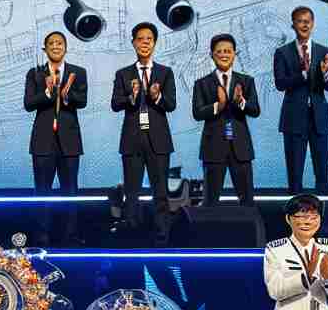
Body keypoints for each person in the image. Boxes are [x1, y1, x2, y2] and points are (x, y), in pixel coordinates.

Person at [111, 22, 176, 243]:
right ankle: (132, 236)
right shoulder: (123, 74)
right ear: (133, 43)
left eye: (149, 39)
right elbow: (115, 103)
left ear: (154, 43)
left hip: (158, 141)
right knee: (132, 194)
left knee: (161, 193)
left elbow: (171, 104)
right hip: (132, 141)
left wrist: (157, 96)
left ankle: (162, 237)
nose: (145, 42)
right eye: (140, 39)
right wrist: (131, 96)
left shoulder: (165, 73)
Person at [24, 31, 87, 243]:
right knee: (42, 192)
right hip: (43, 142)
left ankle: (70, 236)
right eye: (51, 43)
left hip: (69, 142)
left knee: (70, 192)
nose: (56, 46)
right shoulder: (35, 74)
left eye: (59, 43)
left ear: (66, 47)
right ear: (45, 49)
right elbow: (29, 103)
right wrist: (48, 93)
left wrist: (66, 94)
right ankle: (42, 236)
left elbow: (83, 100)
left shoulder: (77, 72)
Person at [192, 33, 262, 206]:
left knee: (247, 201)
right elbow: (197, 113)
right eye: (219, 51)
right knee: (210, 201)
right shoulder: (202, 83)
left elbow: (255, 110)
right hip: (213, 149)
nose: (224, 54)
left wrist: (241, 102)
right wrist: (219, 105)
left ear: (234, 54)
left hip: (241, 149)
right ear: (211, 55)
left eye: (228, 51)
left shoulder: (246, 81)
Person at [273, 6, 328, 193]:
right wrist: (303, 74)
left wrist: (324, 74)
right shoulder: (282, 53)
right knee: (295, 177)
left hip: (319, 121)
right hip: (293, 120)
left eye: (308, 20)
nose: (304, 24)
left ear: (313, 24)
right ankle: (294, 218)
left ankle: (325, 220)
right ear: (293, 25)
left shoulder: (325, 51)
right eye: (300, 21)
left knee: (323, 176)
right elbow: (280, 84)